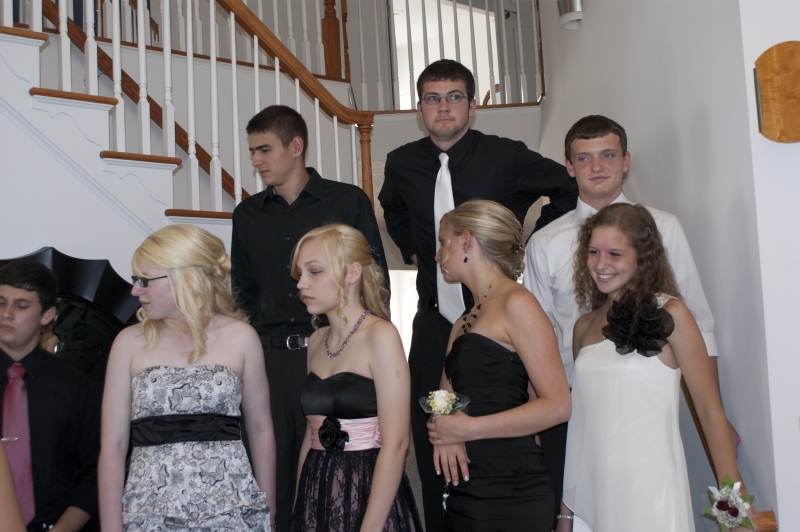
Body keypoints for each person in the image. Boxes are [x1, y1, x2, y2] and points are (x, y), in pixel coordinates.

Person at [378, 59, 578, 531]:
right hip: (436, 321)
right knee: (432, 433)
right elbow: (391, 209)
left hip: (497, 322)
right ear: (420, 109)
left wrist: (523, 246)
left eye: (454, 97)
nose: (443, 107)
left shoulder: (506, 155)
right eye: (432, 98)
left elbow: (566, 189)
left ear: (472, 105)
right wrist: (415, 250)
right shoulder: (402, 162)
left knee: (517, 429)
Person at [523, 115, 739, 522]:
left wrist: (733, 506)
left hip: (649, 453)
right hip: (576, 417)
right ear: (569, 166)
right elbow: (538, 339)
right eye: (584, 158)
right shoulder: (550, 253)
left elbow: (701, 328)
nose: (602, 264)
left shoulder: (667, 249)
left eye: (607, 155)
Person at [232, 105, 388, 532]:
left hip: (333, 358)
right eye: (252, 151)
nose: (256, 160)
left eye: (265, 150)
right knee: (272, 476)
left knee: (333, 473)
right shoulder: (246, 215)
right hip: (270, 360)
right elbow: (241, 294)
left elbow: (374, 283)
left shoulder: (347, 201)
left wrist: (365, 355)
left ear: (296, 146)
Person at [558, 203, 745, 532]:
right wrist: (566, 515)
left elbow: (710, 413)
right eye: (594, 252)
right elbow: (580, 429)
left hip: (654, 494)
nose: (601, 264)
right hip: (594, 499)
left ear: (642, 258)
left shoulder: (672, 314)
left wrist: (735, 513)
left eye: (615, 254)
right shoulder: (583, 327)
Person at [98, 224, 277, 531]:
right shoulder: (128, 343)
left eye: (144, 280)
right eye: (135, 279)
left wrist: (267, 514)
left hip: (230, 509)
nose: (135, 290)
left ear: (185, 278)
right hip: (149, 511)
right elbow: (113, 446)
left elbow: (260, 430)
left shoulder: (242, 337)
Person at [424, 200, 571, 531]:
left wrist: (469, 429)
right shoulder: (460, 323)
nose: (437, 255)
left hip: (512, 487)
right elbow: (442, 396)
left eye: (443, 242)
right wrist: (445, 429)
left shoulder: (518, 303)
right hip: (467, 489)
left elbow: (559, 406)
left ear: (466, 240)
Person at [290, 224, 422, 531]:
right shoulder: (316, 341)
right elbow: (310, 436)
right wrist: (299, 508)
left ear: (352, 273)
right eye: (300, 273)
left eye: (314, 272)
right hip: (317, 488)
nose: (301, 283)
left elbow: (397, 443)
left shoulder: (381, 336)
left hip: (368, 490)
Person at [0, 260, 100, 531]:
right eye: (0, 303)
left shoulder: (75, 386)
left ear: (47, 315)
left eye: (21, 305)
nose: (6, 314)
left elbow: (96, 471)